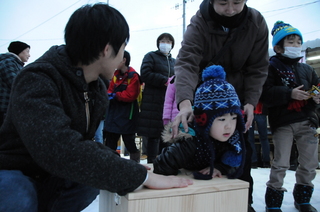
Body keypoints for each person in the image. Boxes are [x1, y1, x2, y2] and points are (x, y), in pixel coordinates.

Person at [0, 4, 192, 212]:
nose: (122, 59)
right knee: (17, 194)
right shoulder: (37, 79)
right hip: (16, 171)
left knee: (92, 180)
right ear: (106, 49)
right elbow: (60, 148)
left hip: (53, 175)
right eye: (122, 49)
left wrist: (128, 168)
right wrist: (141, 176)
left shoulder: (96, 88)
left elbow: (85, 146)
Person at [171, 0, 269, 211]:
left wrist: (251, 101)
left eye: (237, 2)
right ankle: (204, 203)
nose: (230, 9)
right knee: (201, 151)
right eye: (223, 3)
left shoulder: (256, 22)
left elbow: (258, 67)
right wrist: (186, 103)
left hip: (237, 103)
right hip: (206, 101)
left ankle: (244, 203)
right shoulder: (199, 23)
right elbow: (187, 62)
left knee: (242, 152)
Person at [261, 21, 319, 212]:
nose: (295, 45)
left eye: (298, 41)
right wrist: (289, 93)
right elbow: (266, 94)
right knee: (281, 163)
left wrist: (317, 97)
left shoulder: (307, 69)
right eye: (290, 41)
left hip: (307, 120)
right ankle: (274, 203)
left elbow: (316, 88)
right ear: (277, 47)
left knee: (310, 163)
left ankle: (303, 200)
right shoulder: (271, 66)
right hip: (283, 122)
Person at [154, 65, 247, 180]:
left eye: (234, 118)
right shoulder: (189, 142)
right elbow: (162, 165)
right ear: (205, 119)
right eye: (221, 119)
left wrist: (220, 168)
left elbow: (234, 164)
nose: (229, 126)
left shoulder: (232, 140)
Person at [137, 32, 175, 163]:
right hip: (152, 102)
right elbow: (145, 74)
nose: (166, 44)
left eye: (169, 41)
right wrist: (165, 80)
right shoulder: (150, 56)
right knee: (153, 135)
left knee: (167, 134)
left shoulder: (174, 62)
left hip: (169, 102)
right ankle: (152, 162)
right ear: (158, 43)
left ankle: (166, 163)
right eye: (163, 41)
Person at [104, 50, 141, 163]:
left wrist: (115, 95)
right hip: (114, 113)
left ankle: (135, 166)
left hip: (127, 114)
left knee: (129, 142)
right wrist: (110, 94)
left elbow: (131, 95)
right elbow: (109, 89)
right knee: (110, 142)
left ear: (124, 60)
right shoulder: (115, 75)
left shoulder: (133, 76)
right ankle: (111, 166)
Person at [0, 41, 30, 127]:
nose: (29, 55)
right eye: (27, 51)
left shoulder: (15, 64)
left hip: (8, 109)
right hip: (4, 108)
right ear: (20, 51)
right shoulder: (8, 62)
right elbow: (16, 83)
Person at [248, 101, 270, 168]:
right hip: (261, 110)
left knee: (250, 139)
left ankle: (253, 161)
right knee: (264, 138)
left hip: (250, 111)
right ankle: (266, 161)